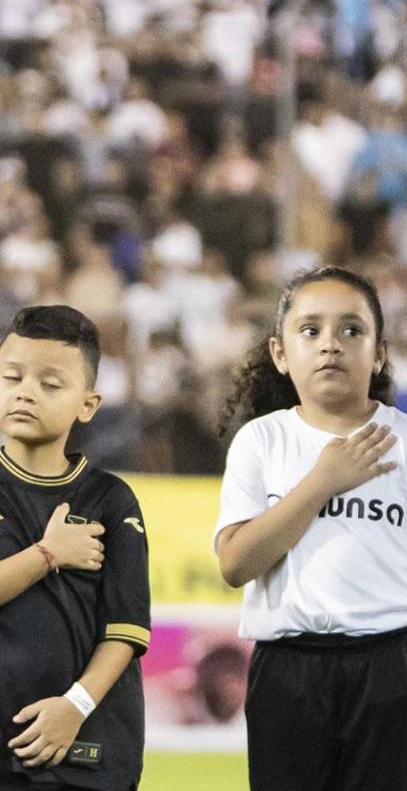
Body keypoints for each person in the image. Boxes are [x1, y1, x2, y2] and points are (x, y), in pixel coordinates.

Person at [214, 266, 407, 791]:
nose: (330, 345)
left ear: (379, 352)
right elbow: (235, 563)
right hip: (288, 673)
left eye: (351, 330)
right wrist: (322, 482)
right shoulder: (261, 442)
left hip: (393, 671)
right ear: (279, 353)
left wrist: (385, 611)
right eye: (310, 330)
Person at [0, 306, 150, 790]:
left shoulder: (110, 499)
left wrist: (76, 706)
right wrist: (47, 555)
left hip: (87, 752)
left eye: (50, 383)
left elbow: (125, 631)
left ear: (88, 404)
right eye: (12, 376)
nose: (25, 391)